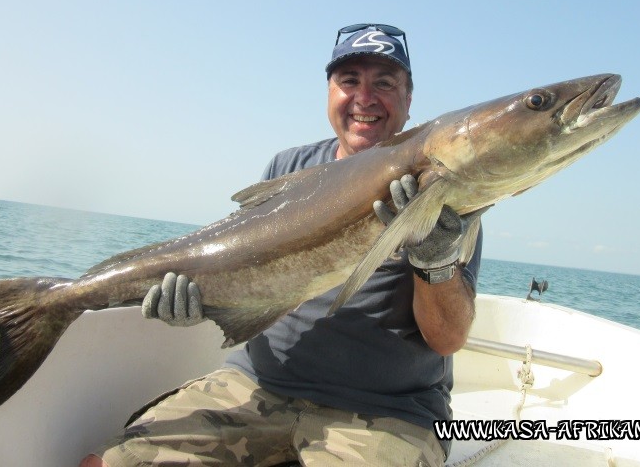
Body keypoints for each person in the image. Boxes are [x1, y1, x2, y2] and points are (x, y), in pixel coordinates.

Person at [81, 23, 483, 467]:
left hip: (386, 413)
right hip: (257, 386)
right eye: (349, 81)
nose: (364, 98)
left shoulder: (451, 195)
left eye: (384, 83)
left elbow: (446, 338)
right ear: (330, 92)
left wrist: (436, 258)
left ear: (408, 101)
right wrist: (202, 301)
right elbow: (247, 271)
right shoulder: (287, 167)